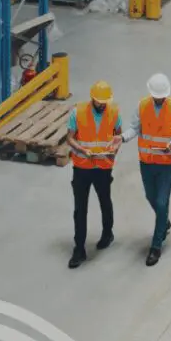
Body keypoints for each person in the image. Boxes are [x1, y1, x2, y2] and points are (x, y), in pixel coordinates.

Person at [117, 73, 171, 266]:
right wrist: (123, 138)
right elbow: (135, 128)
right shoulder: (142, 106)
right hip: (147, 162)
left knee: (161, 200)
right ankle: (163, 221)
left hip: (167, 163)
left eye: (162, 96)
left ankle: (156, 246)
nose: (159, 99)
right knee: (151, 198)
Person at [66, 81, 123, 269]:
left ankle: (108, 233)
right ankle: (79, 248)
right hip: (82, 167)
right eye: (99, 101)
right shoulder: (78, 112)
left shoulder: (114, 112)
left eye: (105, 101)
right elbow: (70, 138)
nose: (102, 104)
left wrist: (114, 149)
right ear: (92, 98)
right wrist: (82, 149)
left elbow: (118, 136)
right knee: (80, 209)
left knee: (105, 202)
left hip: (103, 167)